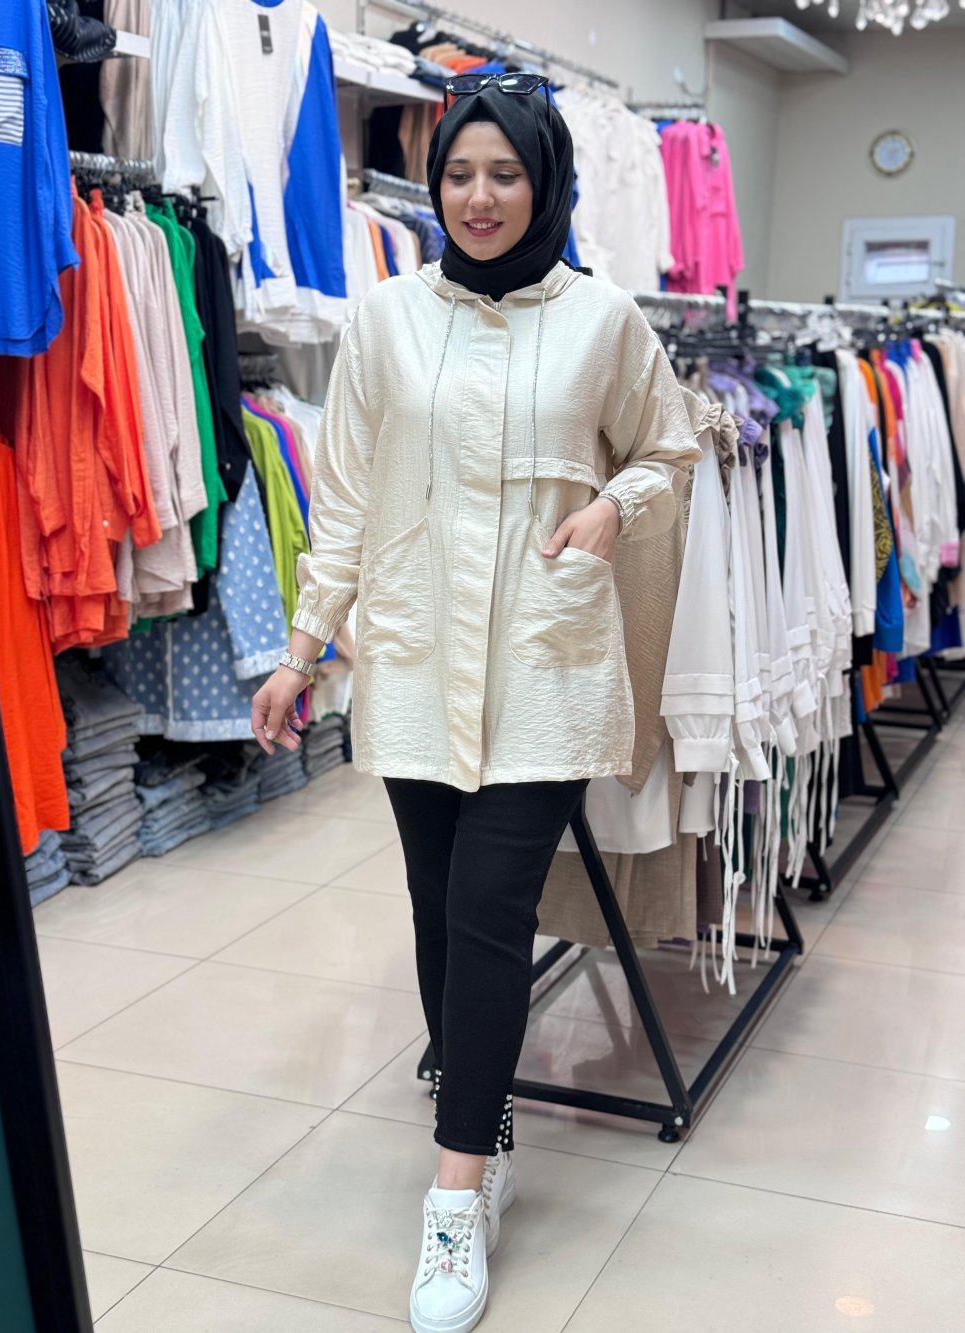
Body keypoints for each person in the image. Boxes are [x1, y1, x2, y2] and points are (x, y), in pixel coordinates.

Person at [251, 74, 701, 1333]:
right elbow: (344, 494)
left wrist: (614, 507)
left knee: (492, 907)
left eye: (505, 174)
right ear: (433, 181)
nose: (480, 197)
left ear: (546, 182)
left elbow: (670, 446)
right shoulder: (386, 319)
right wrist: (301, 649)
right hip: (413, 655)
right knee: (438, 907)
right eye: (459, 174)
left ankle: (455, 1194)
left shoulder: (604, 319)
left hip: (545, 661)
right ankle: (482, 1117)